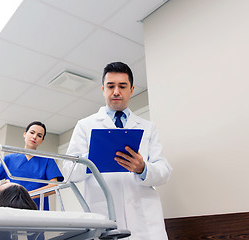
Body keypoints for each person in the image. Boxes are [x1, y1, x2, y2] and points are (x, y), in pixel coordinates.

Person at [62, 62, 172, 239]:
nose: (116, 91)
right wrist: (92, 158)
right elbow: (68, 171)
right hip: (105, 218)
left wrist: (143, 168)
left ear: (131, 89)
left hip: (145, 222)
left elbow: (164, 172)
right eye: (110, 86)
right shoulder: (85, 126)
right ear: (103, 89)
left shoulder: (147, 127)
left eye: (122, 86)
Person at [0, 121, 63, 211]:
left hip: (37, 209)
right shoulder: (9, 159)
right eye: (32, 132)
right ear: (25, 134)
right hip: (10, 207)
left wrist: (25, 196)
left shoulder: (47, 160)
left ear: (42, 140)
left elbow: (53, 187)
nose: (34, 137)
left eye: (39, 135)